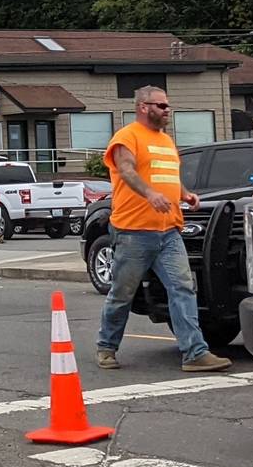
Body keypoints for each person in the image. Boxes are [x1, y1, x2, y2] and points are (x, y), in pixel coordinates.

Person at [97, 85, 229, 373]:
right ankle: (107, 347)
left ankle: (195, 352)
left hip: (169, 230)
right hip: (133, 230)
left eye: (168, 106)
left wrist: (184, 194)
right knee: (122, 292)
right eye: (161, 106)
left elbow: (166, 175)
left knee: (183, 288)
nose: (168, 111)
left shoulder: (167, 141)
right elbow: (128, 171)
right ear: (143, 107)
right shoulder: (126, 137)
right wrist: (150, 194)